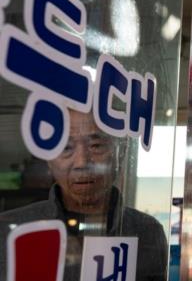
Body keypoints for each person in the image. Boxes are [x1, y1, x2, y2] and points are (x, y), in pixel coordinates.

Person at [0, 111, 168, 281]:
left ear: (121, 152)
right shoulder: (8, 230)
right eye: (66, 148)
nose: (82, 162)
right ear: (49, 160)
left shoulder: (147, 231)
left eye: (96, 146)